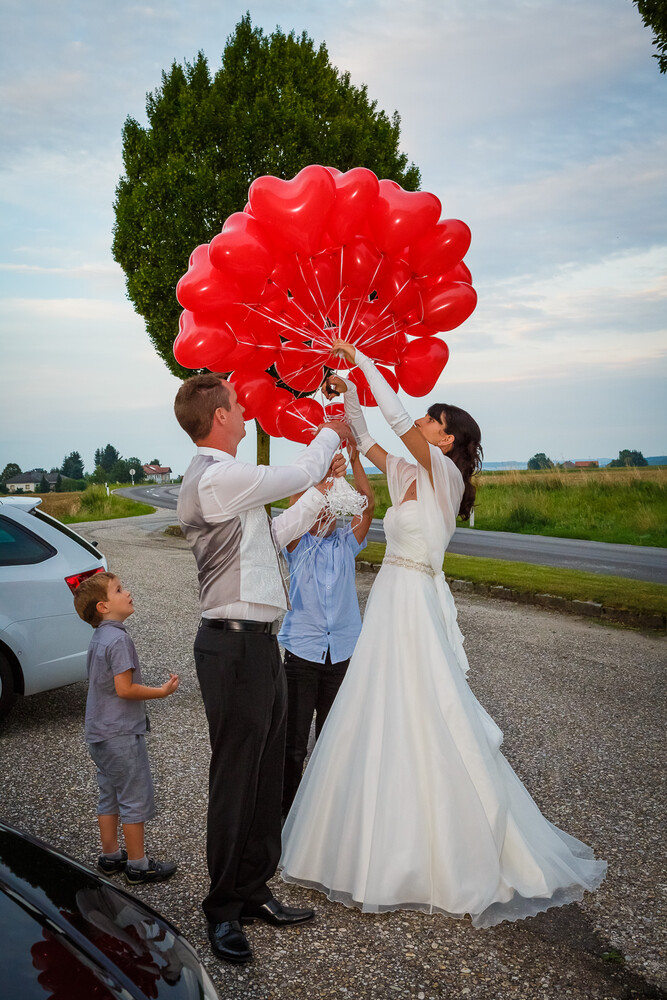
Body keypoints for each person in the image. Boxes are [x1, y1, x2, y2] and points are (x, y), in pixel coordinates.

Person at [280, 341, 607, 928]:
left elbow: (399, 421)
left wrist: (365, 361)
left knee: (427, 707)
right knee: (376, 709)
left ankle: (444, 845)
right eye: (430, 417)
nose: (427, 423)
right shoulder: (409, 467)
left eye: (437, 419)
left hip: (415, 602)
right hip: (388, 599)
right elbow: (367, 436)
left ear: (447, 439)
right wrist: (347, 388)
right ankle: (368, 838)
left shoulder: (444, 478)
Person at [174, 372, 351, 964]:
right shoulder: (216, 476)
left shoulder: (229, 488)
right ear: (219, 416)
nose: (246, 412)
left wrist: (323, 491)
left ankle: (254, 888)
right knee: (235, 778)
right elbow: (295, 471)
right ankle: (221, 907)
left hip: (259, 645)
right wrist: (329, 432)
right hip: (231, 648)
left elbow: (274, 536)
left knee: (268, 769)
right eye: (237, 406)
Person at [279, 444, 375, 818]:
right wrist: (322, 475)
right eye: (326, 507)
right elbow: (293, 505)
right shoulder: (297, 543)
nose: (332, 514)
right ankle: (286, 815)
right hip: (303, 654)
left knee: (335, 740)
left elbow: (367, 503)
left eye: (336, 507)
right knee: (294, 744)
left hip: (343, 655)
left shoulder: (346, 543)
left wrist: (351, 461)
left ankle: (328, 817)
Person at [74, 571, 179, 886]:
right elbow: (125, 688)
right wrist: (161, 692)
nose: (127, 592)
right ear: (104, 606)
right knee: (133, 796)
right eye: (119, 589)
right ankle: (137, 865)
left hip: (99, 733)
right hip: (120, 734)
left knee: (109, 793)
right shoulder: (119, 639)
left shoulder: (100, 637)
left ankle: (110, 857)